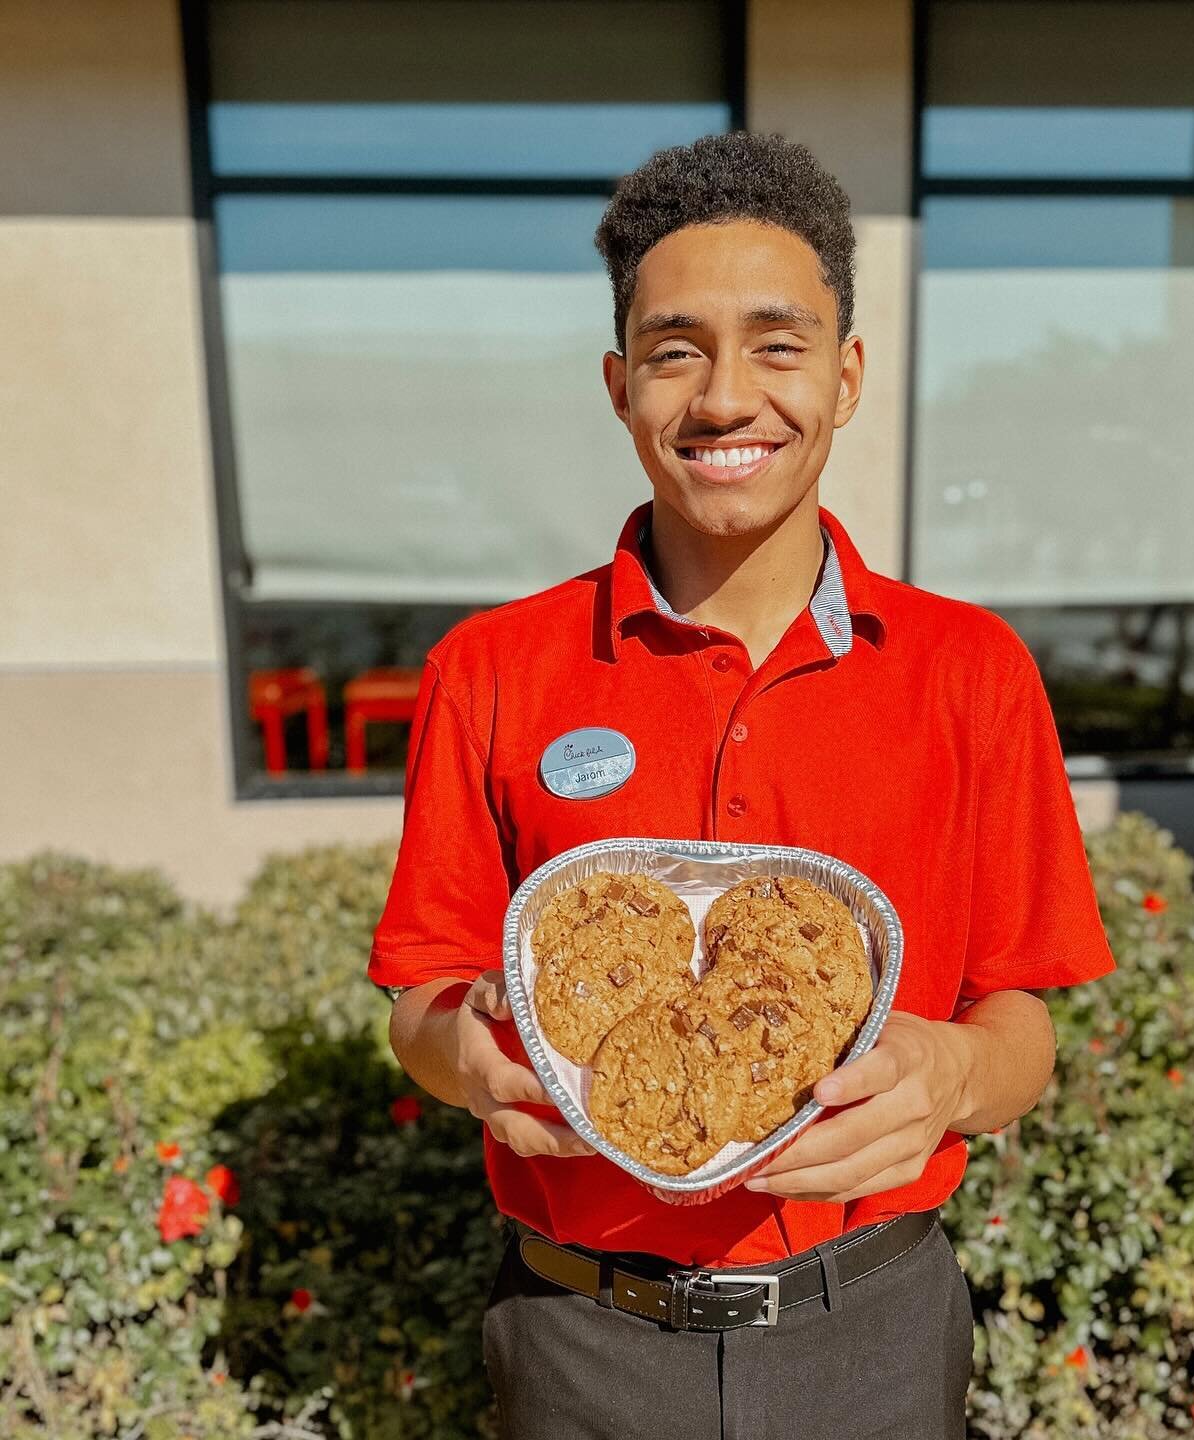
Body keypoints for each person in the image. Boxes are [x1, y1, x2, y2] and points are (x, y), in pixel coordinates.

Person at [369, 130, 1116, 1439]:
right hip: (578, 1335)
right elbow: (423, 1000)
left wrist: (949, 1076)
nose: (725, 399)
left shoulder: (969, 671)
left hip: (870, 1331)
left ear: (848, 374)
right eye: (674, 350)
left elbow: (1024, 1026)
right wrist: (468, 1060)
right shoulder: (492, 669)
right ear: (618, 384)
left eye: (778, 345)